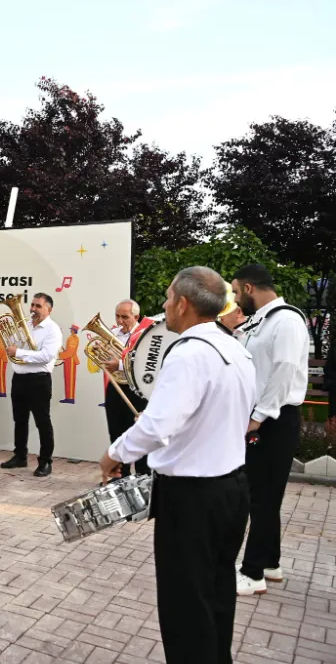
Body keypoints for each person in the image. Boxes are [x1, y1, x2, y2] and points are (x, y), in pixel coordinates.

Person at [99, 266, 254, 664]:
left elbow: (158, 425)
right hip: (232, 490)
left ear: (183, 304)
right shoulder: (235, 347)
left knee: (185, 603)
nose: (164, 306)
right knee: (217, 592)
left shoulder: (188, 353)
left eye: (168, 298)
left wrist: (115, 453)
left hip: (191, 498)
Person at [231, 264, 310, 596]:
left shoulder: (287, 321)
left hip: (275, 419)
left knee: (261, 498)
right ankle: (270, 564)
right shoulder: (260, 321)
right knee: (262, 496)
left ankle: (252, 574)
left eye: (236, 291)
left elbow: (284, 372)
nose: (234, 298)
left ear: (249, 288)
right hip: (263, 418)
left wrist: (258, 417)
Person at [0, 293, 63, 476]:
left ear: (49, 309)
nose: (33, 309)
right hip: (19, 378)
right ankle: (20, 456)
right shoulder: (25, 324)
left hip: (39, 380)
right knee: (19, 421)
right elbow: (13, 348)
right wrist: (13, 348)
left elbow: (46, 356)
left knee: (42, 422)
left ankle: (45, 462)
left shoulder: (53, 329)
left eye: (38, 306)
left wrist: (18, 352)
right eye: (32, 305)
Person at [102, 300, 149, 477]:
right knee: (116, 432)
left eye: (125, 317)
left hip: (138, 390)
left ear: (136, 317)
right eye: (117, 316)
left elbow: (146, 362)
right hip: (115, 388)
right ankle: (120, 476)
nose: (120, 321)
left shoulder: (145, 335)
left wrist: (120, 364)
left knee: (140, 435)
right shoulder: (112, 334)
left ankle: (143, 476)